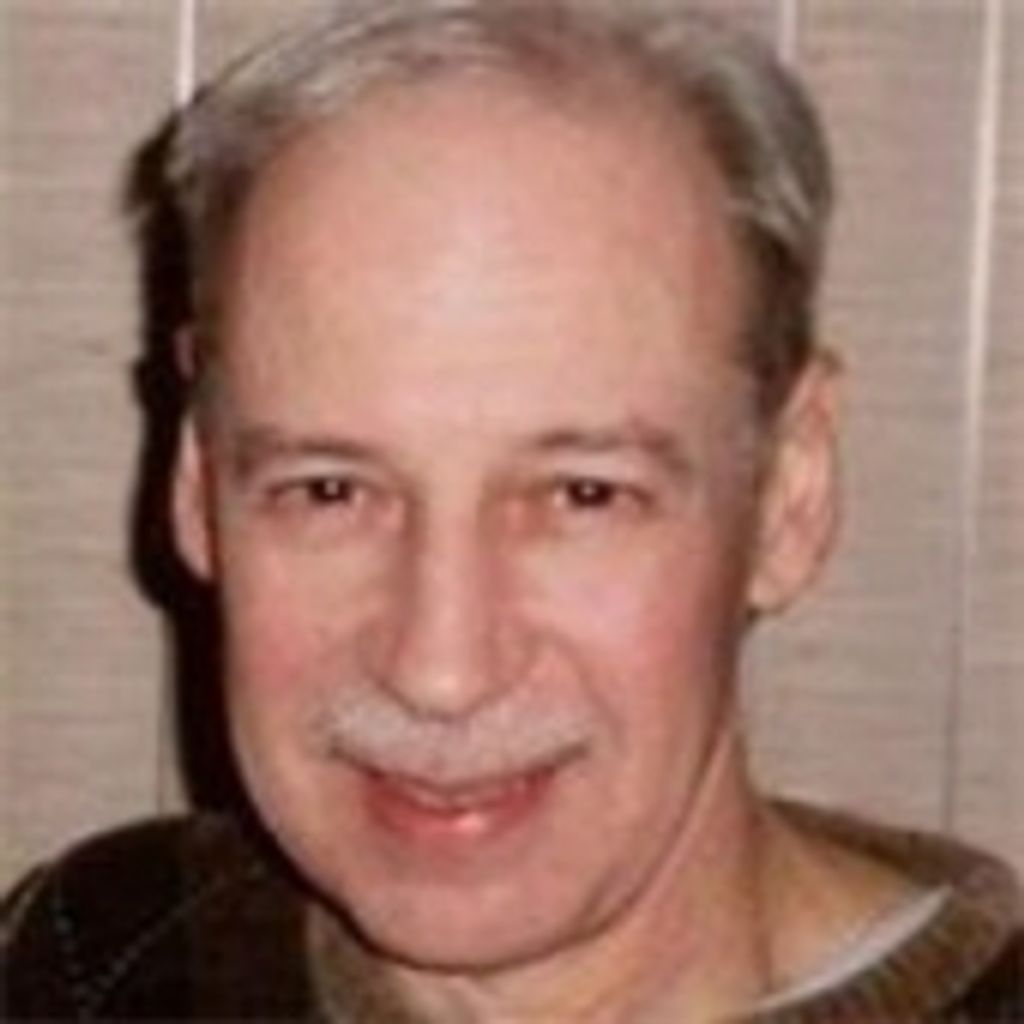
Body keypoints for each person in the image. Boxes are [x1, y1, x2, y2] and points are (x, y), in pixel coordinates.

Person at [3, 1, 1020, 1020]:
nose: (439, 673)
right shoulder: (100, 958)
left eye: (584, 494)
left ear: (790, 494)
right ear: (196, 483)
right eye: (329, 490)